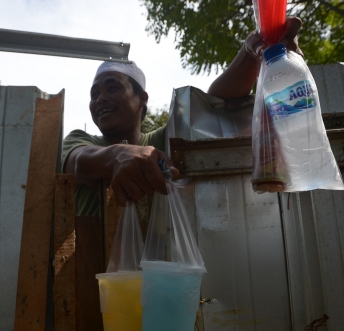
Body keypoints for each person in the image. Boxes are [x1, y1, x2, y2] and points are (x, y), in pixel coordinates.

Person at [62, 18, 303, 215]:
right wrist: (116, 155)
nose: (100, 98)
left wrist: (252, 54)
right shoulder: (80, 140)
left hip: (161, 273)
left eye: (112, 88)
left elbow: (217, 104)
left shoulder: (165, 139)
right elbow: (80, 162)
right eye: (94, 94)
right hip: (94, 273)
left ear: (142, 99)